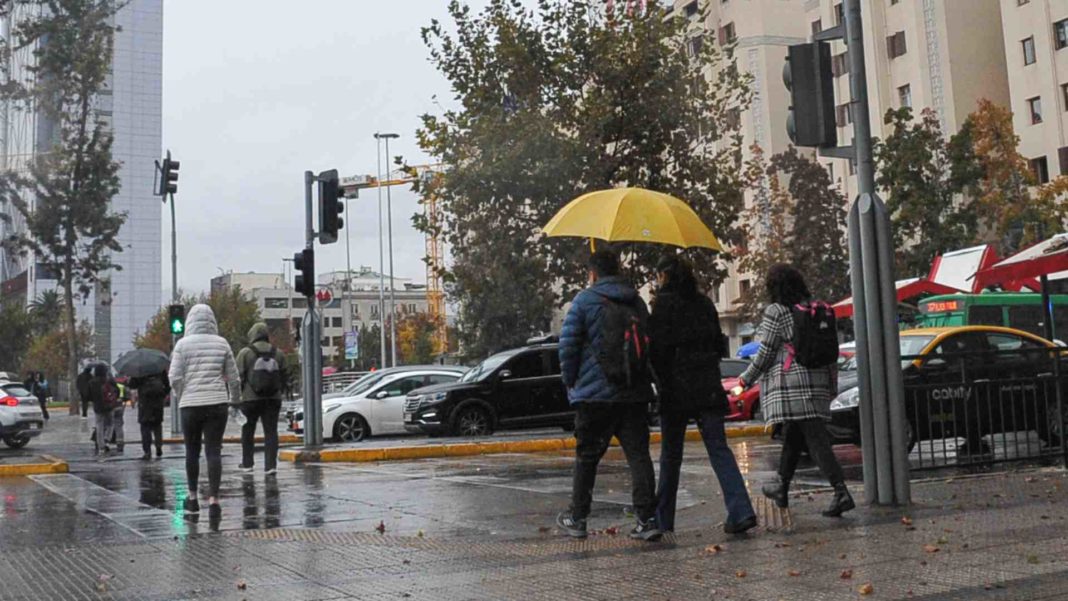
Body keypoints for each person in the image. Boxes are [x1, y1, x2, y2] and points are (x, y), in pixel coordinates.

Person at [555, 250, 661, 541]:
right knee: (639, 457)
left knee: (587, 457)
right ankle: (647, 519)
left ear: (593, 273)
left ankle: (577, 518)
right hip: (633, 393)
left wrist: (571, 383)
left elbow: (568, 346)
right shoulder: (636, 300)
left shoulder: (585, 301)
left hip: (594, 397)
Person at [649, 255, 757, 535]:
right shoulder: (704, 304)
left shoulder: (662, 305)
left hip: (675, 389)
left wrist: (660, 381)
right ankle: (741, 510)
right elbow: (718, 345)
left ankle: (663, 519)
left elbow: (657, 352)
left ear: (666, 276)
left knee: (671, 456)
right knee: (718, 449)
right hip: (707, 386)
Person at [737, 264, 855, 518]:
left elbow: (766, 352)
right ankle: (782, 486)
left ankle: (841, 491)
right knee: (794, 434)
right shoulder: (815, 310)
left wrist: (745, 380)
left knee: (815, 439)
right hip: (817, 381)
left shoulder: (776, 312)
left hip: (792, 385)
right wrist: (831, 386)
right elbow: (831, 354)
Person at [168, 304, 240, 519]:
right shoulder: (222, 344)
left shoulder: (182, 345)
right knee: (213, 451)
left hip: (190, 405)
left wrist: (182, 395)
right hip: (217, 403)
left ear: (190, 321)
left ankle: (192, 498)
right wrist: (234, 401)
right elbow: (234, 379)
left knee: (192, 451)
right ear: (212, 321)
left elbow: (174, 377)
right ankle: (215, 500)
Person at [235, 322, 289, 475]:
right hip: (273, 399)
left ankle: (247, 464)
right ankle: (270, 466)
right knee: (271, 431)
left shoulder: (245, 353)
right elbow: (285, 375)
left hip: (250, 399)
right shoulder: (278, 353)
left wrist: (237, 397)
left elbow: (238, 376)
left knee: (248, 431)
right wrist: (279, 391)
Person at [130, 372, 169, 460]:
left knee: (145, 427)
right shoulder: (160, 369)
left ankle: (147, 451)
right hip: (158, 403)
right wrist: (162, 395)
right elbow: (168, 385)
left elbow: (132, 385)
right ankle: (158, 446)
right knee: (157, 425)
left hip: (145, 404)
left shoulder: (140, 370)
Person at [87, 364, 120, 456]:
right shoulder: (109, 380)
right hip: (109, 405)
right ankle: (107, 439)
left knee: (99, 425)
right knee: (110, 424)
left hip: (98, 407)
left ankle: (101, 445)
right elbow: (117, 390)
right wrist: (114, 399)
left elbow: (88, 395)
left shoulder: (92, 382)